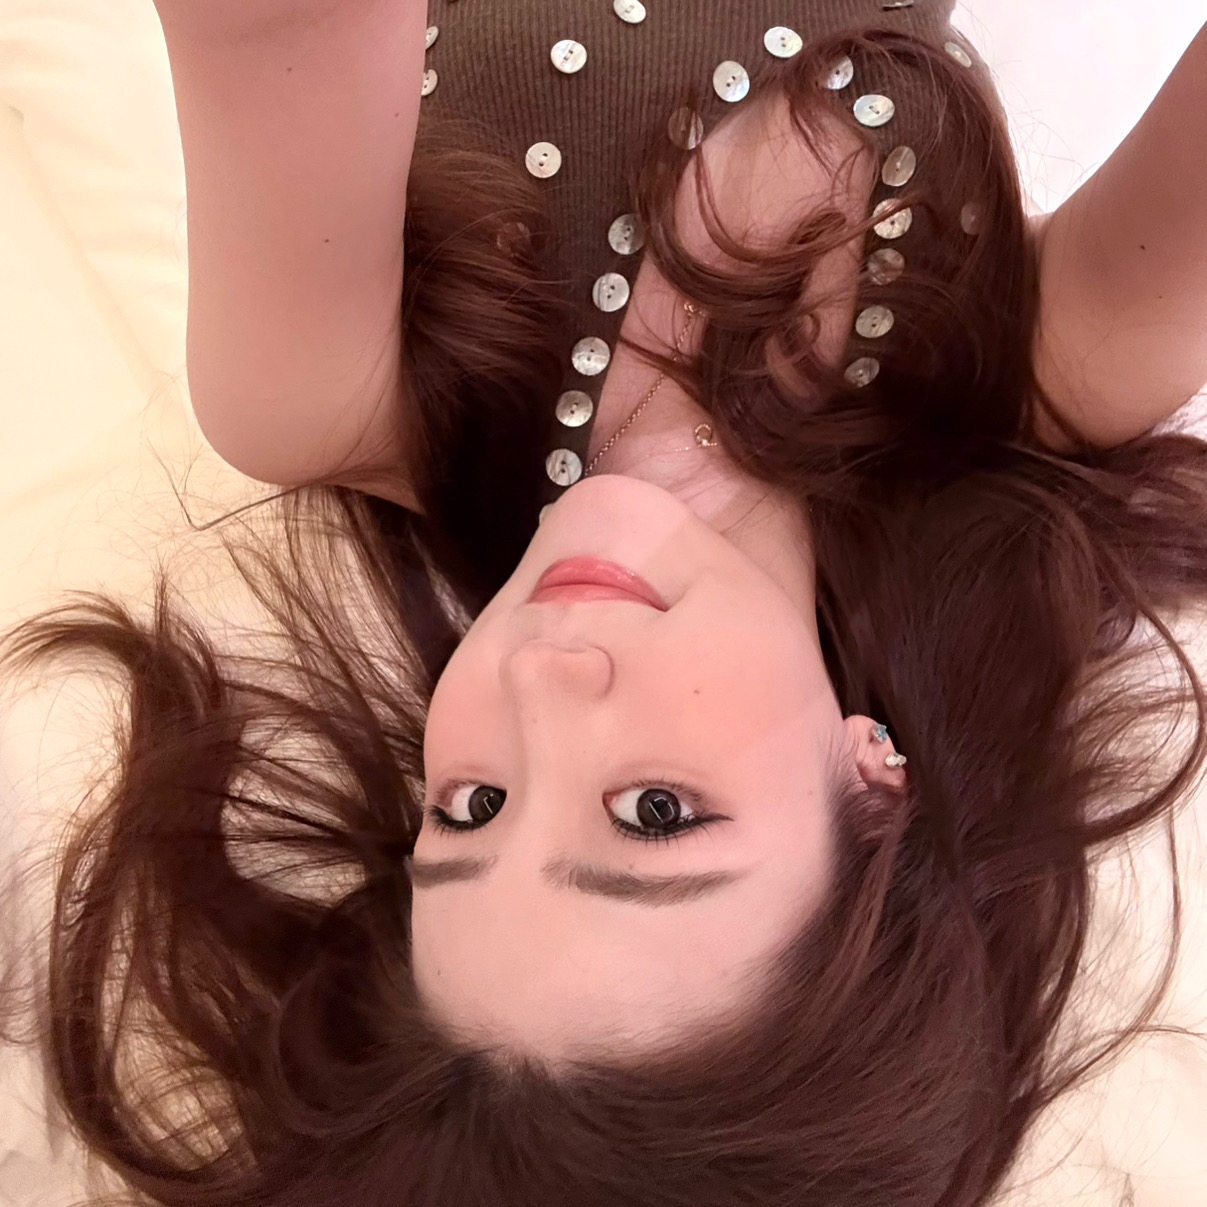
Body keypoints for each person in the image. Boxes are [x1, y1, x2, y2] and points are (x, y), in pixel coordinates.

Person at [2, 1, 1207, 1204]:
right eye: (655, 812)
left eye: (472, 806)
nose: (540, 682)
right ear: (873, 787)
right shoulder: (1026, 386)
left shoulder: (318, 398)